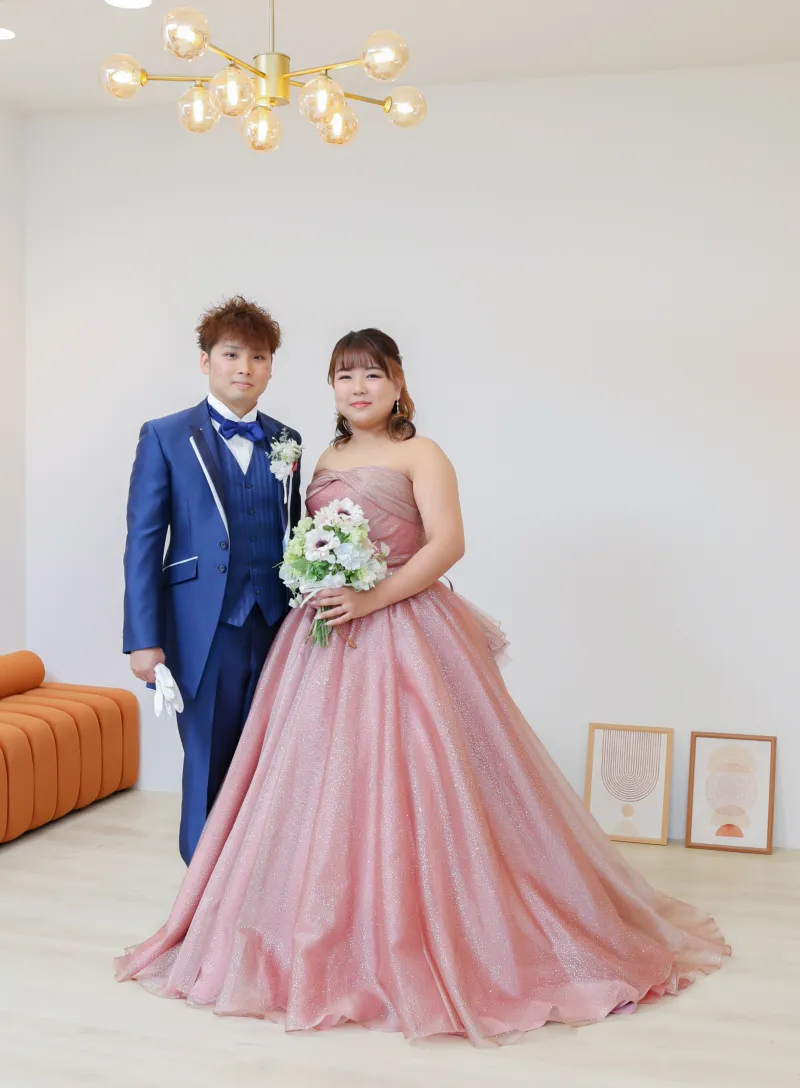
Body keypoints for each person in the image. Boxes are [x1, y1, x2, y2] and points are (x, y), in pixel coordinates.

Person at [116, 328, 728, 1043]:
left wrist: (371, 597)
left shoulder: (422, 454)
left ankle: (426, 927)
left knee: (426, 782)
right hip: (322, 639)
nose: (359, 388)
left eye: (373, 375)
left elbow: (448, 544)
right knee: (319, 791)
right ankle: (312, 927)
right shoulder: (317, 455)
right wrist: (319, 580)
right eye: (345, 376)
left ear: (399, 383)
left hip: (403, 628)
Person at [123, 296, 301, 864]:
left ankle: (255, 885)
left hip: (276, 627)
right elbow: (143, 543)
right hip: (204, 630)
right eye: (231, 354)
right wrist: (143, 639)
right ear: (206, 361)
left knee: (271, 766)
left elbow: (296, 533)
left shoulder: (288, 441)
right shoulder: (166, 435)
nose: (244, 367)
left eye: (258, 357)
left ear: (271, 367)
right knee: (205, 764)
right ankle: (200, 897)